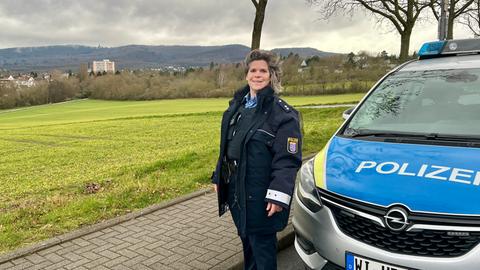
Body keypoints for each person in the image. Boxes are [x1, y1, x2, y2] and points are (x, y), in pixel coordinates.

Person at [211, 49, 302, 270]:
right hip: (236, 189)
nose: (257, 75)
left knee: (262, 248)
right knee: (247, 242)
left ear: (271, 75)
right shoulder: (237, 108)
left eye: (263, 70)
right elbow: (227, 147)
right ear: (246, 75)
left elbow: (287, 160)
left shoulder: (283, 114)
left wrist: (278, 196)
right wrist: (218, 177)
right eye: (253, 70)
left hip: (261, 194)